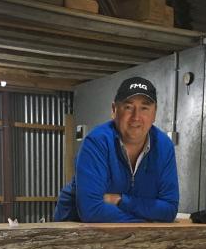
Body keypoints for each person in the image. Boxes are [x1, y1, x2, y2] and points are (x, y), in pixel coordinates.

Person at [54, 76, 179, 222]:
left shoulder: (164, 146)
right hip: (76, 228)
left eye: (144, 108)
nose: (136, 117)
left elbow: (169, 209)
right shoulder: (97, 142)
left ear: (154, 113)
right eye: (128, 107)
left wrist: (121, 200)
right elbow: (91, 210)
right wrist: (146, 223)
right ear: (114, 110)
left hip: (130, 232)